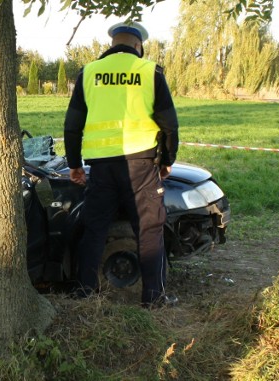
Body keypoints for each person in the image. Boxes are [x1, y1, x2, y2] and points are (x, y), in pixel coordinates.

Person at [63, 21, 179, 308]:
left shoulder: (88, 73)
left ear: (112, 43)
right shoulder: (150, 71)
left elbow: (72, 125)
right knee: (149, 231)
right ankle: (153, 300)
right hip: (141, 165)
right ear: (138, 45)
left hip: (101, 168)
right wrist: (166, 161)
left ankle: (86, 294)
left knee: (94, 229)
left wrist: (75, 164)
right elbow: (170, 125)